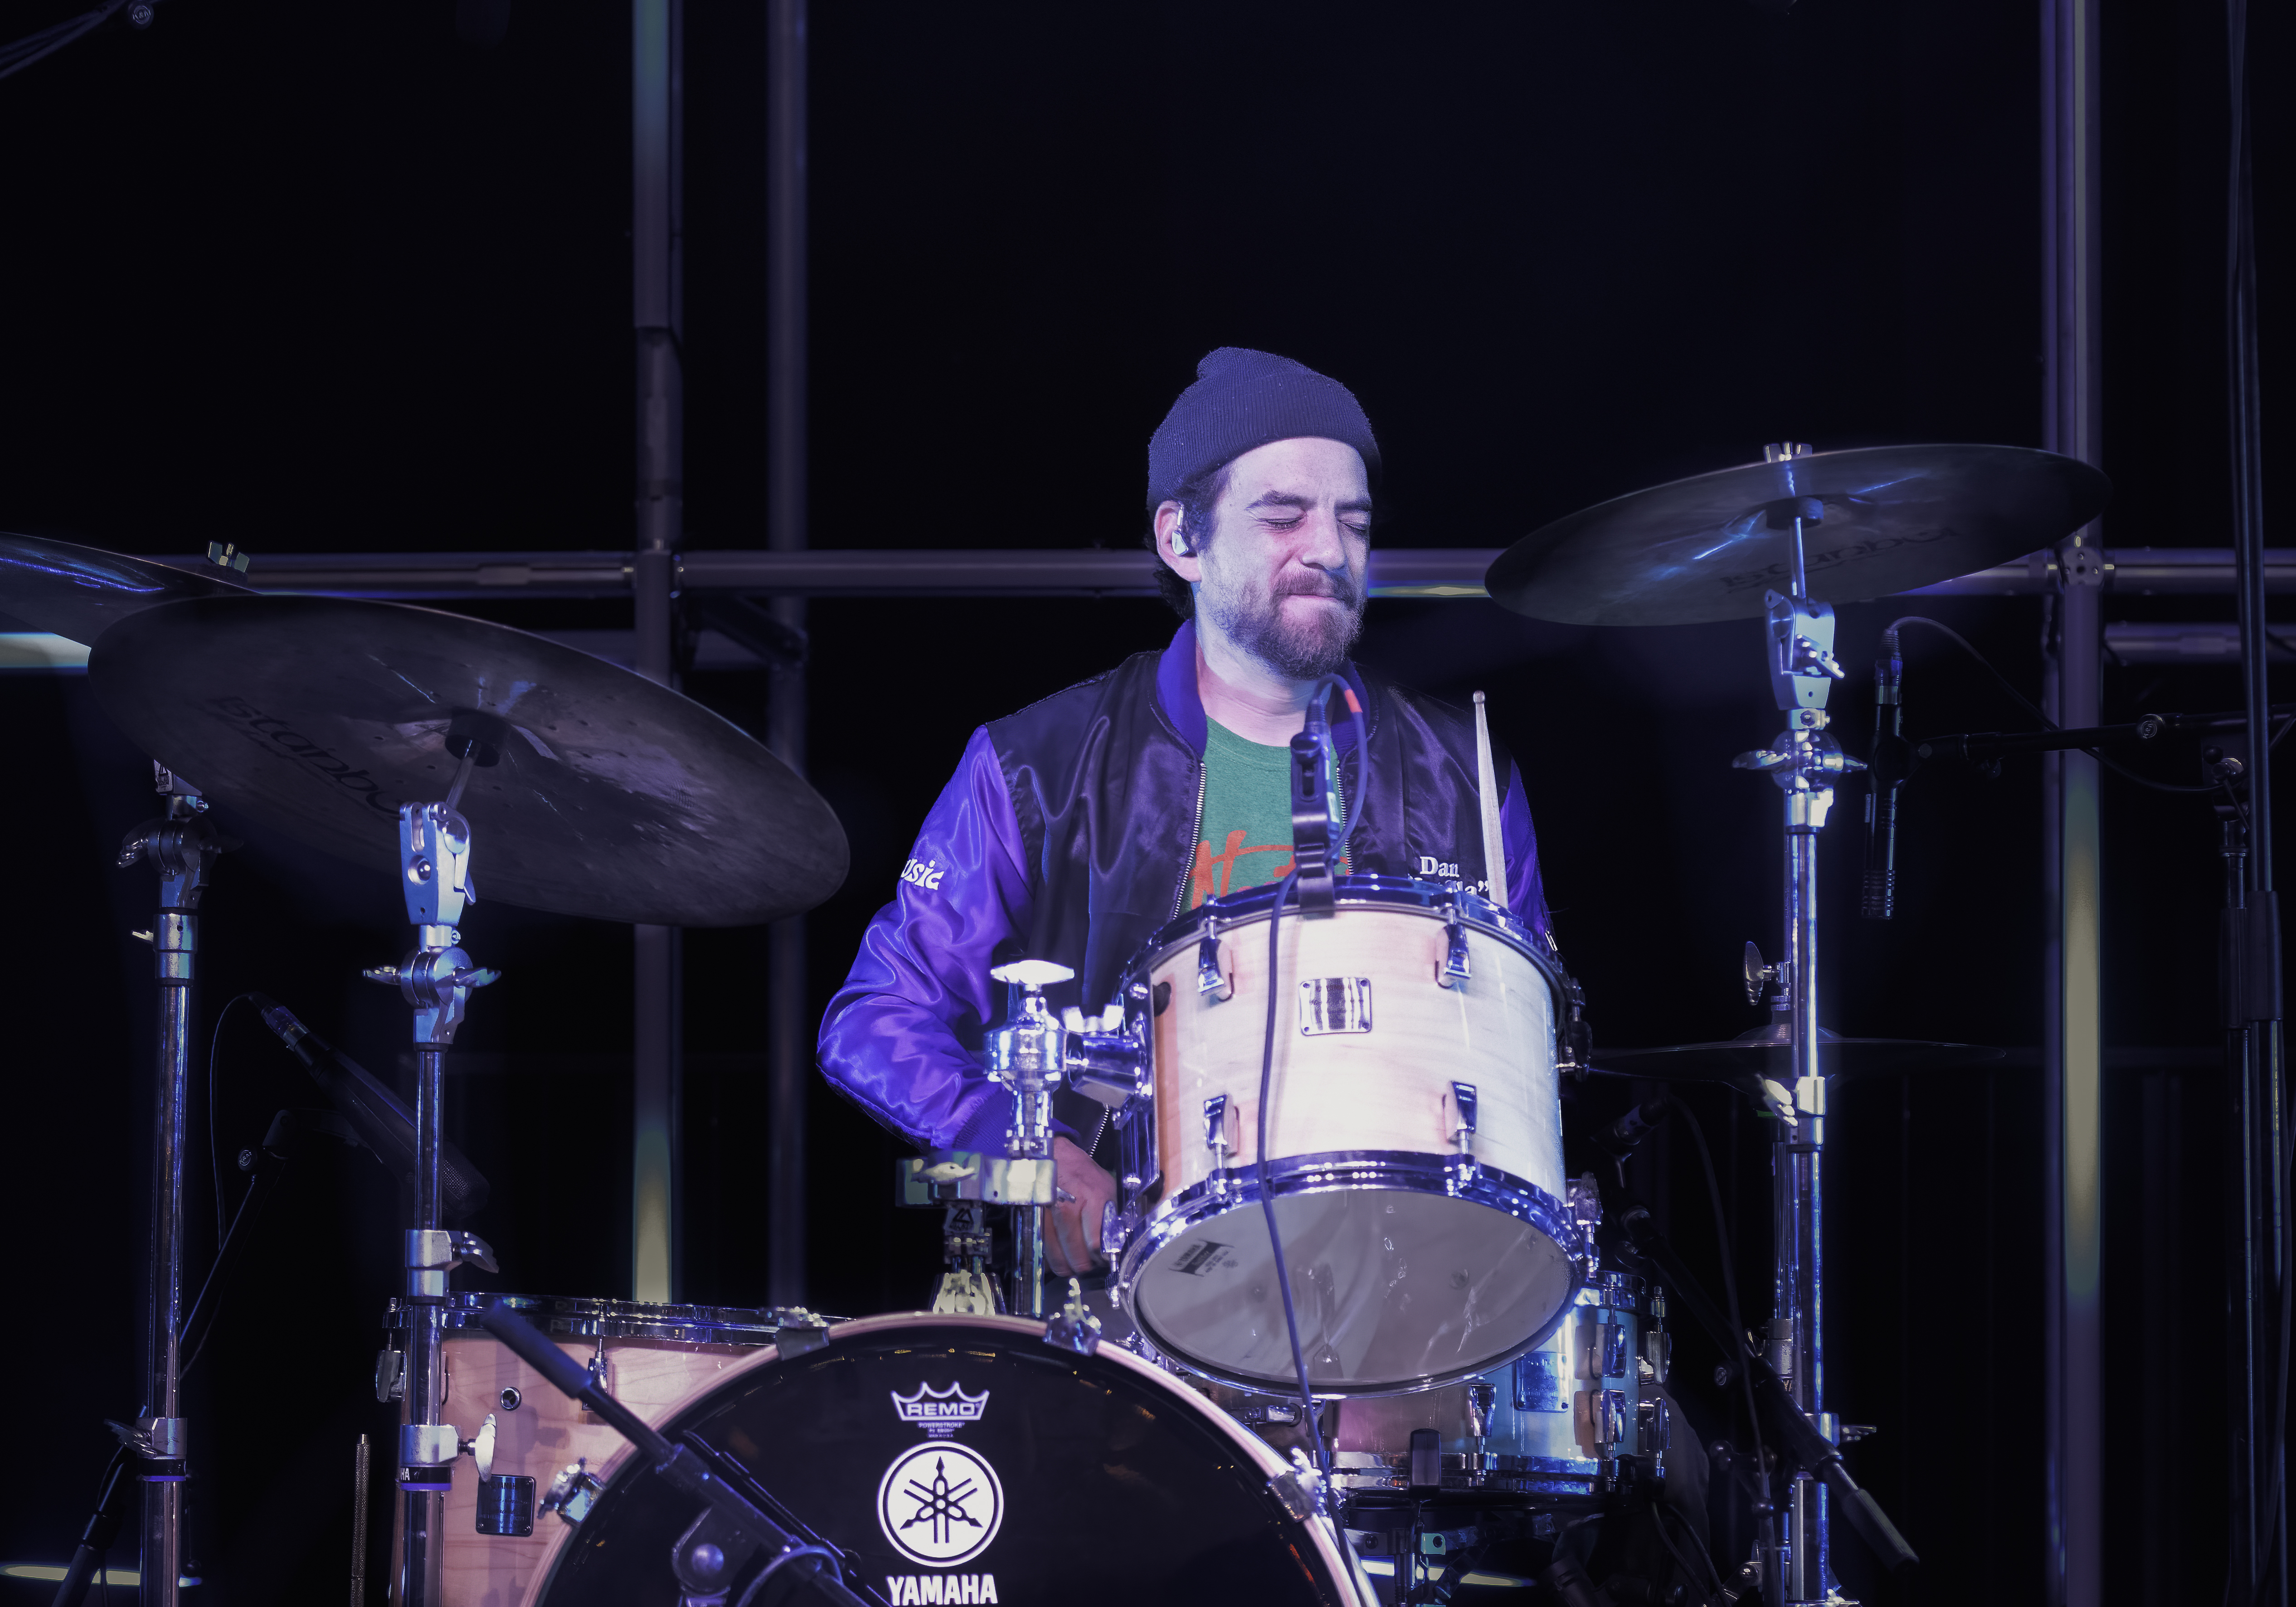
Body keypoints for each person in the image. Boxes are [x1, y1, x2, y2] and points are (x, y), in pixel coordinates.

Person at [817, 346, 1551, 1280]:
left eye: (1352, 522)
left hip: (1404, 1290)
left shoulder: (1464, 771)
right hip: (1135, 1303)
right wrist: (1019, 1146)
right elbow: (877, 1017)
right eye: (1284, 515)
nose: (1327, 551)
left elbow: (1528, 1044)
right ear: (1182, 540)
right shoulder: (1039, 765)